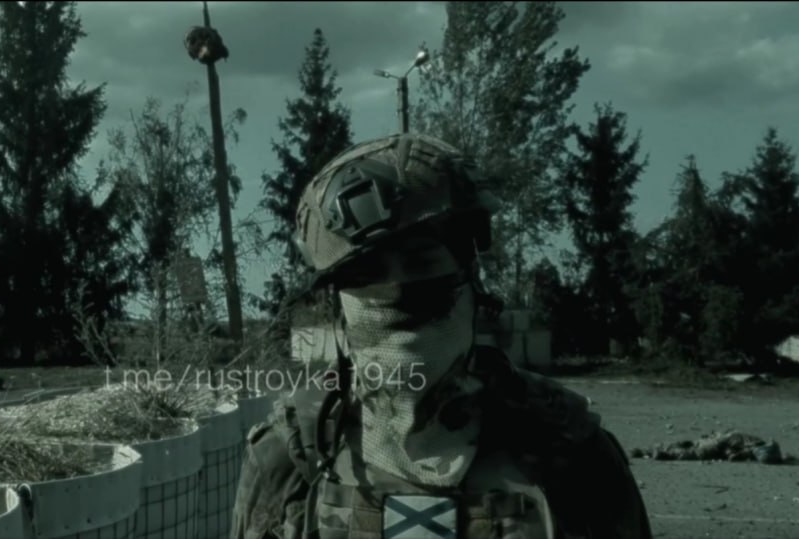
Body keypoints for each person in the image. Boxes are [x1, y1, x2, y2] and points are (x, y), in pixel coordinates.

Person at [230, 133, 652, 538]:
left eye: (420, 260)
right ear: (338, 301)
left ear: (468, 271)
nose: (396, 290)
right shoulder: (291, 457)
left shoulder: (569, 452)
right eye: (369, 272)